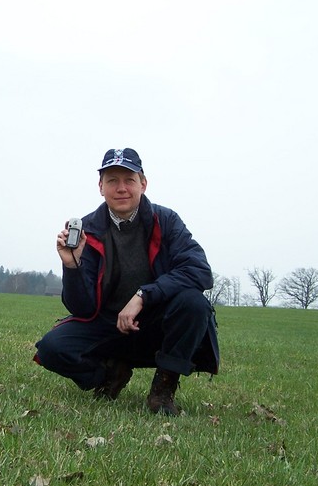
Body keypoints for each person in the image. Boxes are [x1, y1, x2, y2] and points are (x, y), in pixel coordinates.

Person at [33, 148, 219, 416]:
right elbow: (82, 308)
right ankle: (109, 375)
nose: (121, 188)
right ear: (100, 187)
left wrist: (143, 295)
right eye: (112, 180)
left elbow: (199, 270)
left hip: (156, 324)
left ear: (143, 183)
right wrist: (72, 265)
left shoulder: (166, 221)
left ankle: (163, 390)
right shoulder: (88, 229)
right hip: (107, 325)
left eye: (129, 179)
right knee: (52, 349)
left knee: (194, 303)